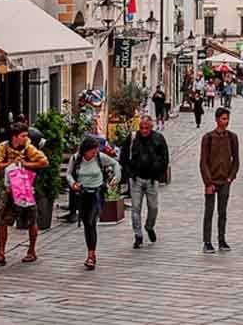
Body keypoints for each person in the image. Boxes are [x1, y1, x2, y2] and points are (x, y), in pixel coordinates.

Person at [0, 123, 49, 265]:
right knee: (3, 221)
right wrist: (9, 162)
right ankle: (1, 253)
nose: (26, 138)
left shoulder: (29, 148)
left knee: (31, 220)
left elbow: (44, 162)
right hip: (10, 189)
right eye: (23, 136)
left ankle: (32, 251)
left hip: (26, 189)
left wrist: (26, 164)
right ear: (14, 137)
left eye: (26, 135)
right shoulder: (4, 147)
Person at [67, 136, 121, 270]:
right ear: (85, 151)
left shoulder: (99, 157)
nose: (94, 154)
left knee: (91, 222)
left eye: (96, 151)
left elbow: (115, 164)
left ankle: (91, 256)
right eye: (92, 152)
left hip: (97, 194)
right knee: (87, 224)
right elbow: (69, 174)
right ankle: (91, 251)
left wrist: (116, 178)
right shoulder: (76, 159)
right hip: (83, 194)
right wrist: (73, 183)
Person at [121, 116, 169, 249]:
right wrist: (129, 174)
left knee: (153, 207)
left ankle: (149, 226)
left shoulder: (158, 138)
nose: (144, 130)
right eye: (141, 127)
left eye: (146, 128)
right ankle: (138, 236)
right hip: (136, 179)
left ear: (151, 127)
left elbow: (165, 157)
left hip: (152, 179)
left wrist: (159, 174)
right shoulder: (133, 138)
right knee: (135, 208)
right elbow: (123, 156)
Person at [199, 107, 239, 254]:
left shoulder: (232, 137)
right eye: (223, 118)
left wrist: (231, 177)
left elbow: (236, 160)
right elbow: (203, 162)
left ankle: (222, 239)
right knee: (209, 211)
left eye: (227, 118)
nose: (226, 121)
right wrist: (208, 182)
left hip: (225, 181)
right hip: (212, 180)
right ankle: (207, 241)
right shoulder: (208, 138)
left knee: (223, 212)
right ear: (216, 119)